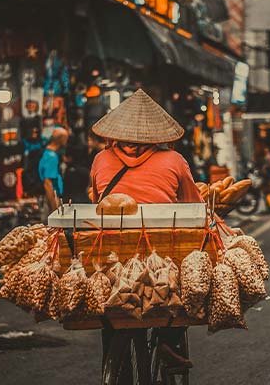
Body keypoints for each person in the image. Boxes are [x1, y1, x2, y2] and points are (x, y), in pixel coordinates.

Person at [89, 89, 202, 369]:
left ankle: (112, 361)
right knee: (180, 285)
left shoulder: (101, 160)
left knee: (112, 318)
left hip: (112, 253)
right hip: (161, 253)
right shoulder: (175, 161)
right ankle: (169, 338)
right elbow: (194, 207)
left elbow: (96, 199)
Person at [39, 127, 68, 216]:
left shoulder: (48, 153)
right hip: (51, 199)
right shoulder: (52, 157)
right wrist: (54, 208)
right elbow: (48, 183)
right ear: (62, 140)